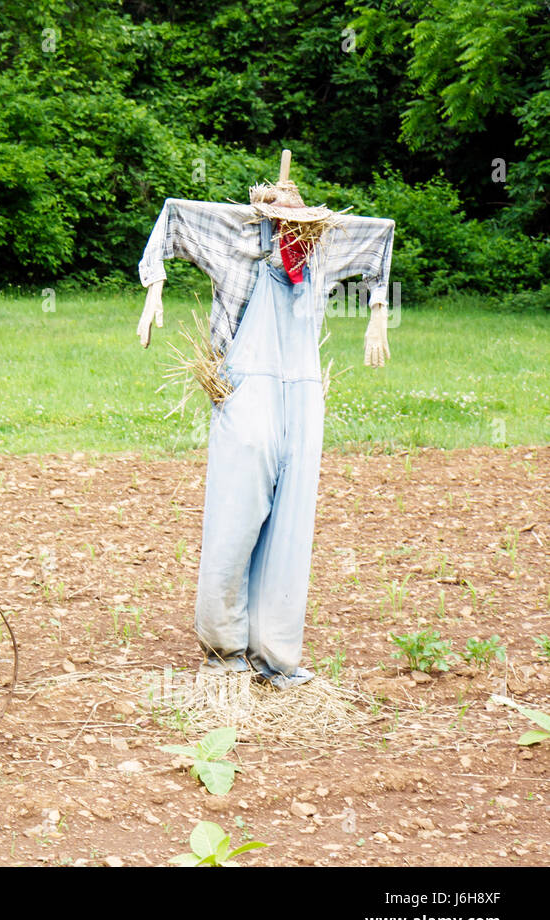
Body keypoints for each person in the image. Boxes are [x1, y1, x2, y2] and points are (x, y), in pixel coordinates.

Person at [136, 162, 395, 688]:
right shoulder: (236, 238)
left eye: (301, 223)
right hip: (244, 387)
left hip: (301, 393)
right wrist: (153, 288)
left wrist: (378, 309)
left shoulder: (322, 249)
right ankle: (223, 648)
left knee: (292, 520)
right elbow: (172, 219)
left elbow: (381, 235)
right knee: (238, 511)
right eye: (284, 222)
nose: (293, 232)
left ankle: (276, 654)